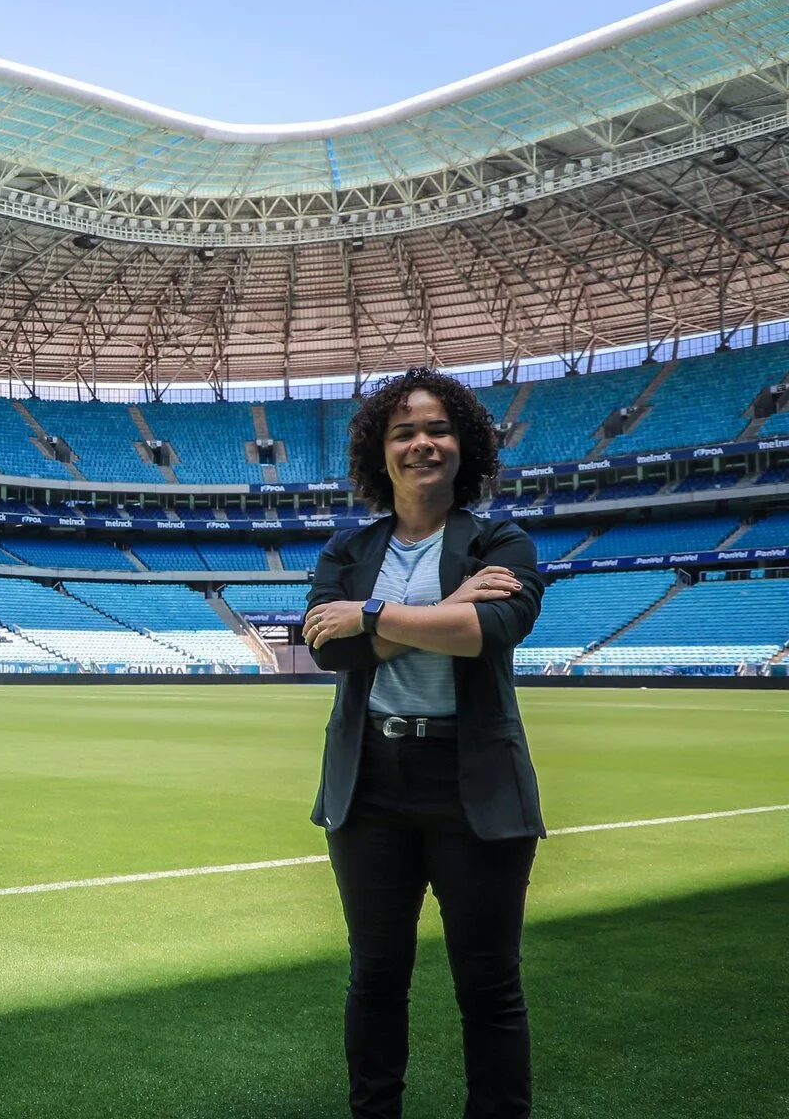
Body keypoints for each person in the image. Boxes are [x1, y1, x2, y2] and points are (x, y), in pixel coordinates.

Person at [301, 367, 546, 1119]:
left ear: (463, 445)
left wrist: (371, 616)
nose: (422, 443)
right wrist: (441, 610)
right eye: (403, 432)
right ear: (380, 452)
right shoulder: (349, 549)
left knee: (489, 985)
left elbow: (488, 632)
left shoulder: (500, 540)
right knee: (375, 978)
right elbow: (329, 648)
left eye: (438, 429)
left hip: (473, 781)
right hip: (370, 783)